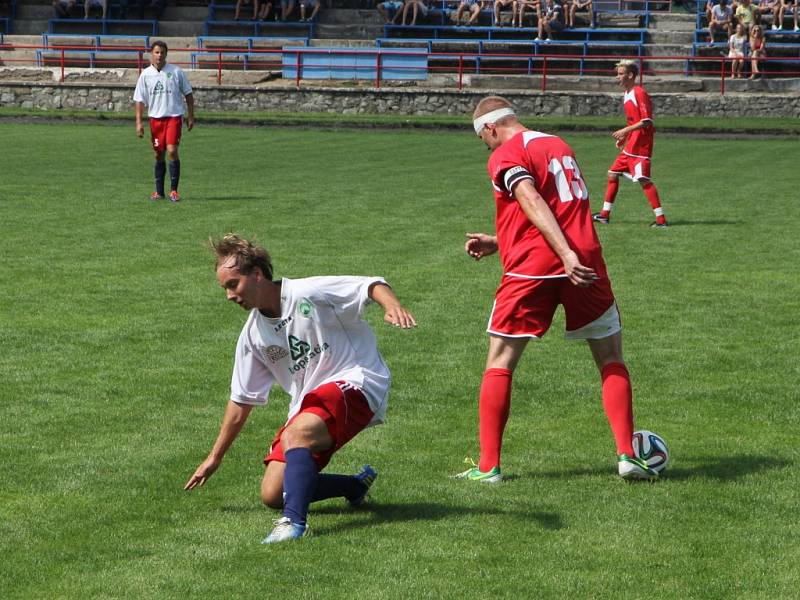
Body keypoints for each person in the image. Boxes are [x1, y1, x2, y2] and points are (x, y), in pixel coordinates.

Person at [455, 96, 658, 485]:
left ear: (490, 128)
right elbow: (557, 207)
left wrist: (561, 253)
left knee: (499, 362)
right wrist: (501, 240)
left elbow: (530, 197)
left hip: (535, 268)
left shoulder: (505, 155)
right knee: (611, 357)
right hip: (587, 262)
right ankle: (627, 455)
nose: (486, 145)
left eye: (483, 138)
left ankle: (488, 467)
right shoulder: (557, 144)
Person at [184, 234, 417, 543]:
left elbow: (370, 285)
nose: (229, 295)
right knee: (273, 492)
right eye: (225, 288)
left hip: (357, 381)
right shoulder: (253, 336)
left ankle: (294, 524)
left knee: (297, 435)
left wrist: (392, 306)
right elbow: (241, 401)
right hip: (311, 403)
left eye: (233, 284)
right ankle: (353, 486)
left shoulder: (308, 292)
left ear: (256, 275)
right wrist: (215, 457)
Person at [592, 60, 668, 228]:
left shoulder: (639, 92)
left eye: (620, 74)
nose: (617, 77)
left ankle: (661, 221)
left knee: (644, 181)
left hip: (641, 147)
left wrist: (625, 131)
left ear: (630, 75)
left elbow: (647, 121)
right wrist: (625, 138)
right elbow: (634, 121)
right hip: (631, 146)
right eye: (617, 73)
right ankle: (604, 215)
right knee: (612, 174)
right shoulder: (627, 93)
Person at [133, 41, 194, 203]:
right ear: (151, 54)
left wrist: (191, 116)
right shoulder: (145, 75)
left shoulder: (176, 72)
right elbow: (139, 100)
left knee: (172, 150)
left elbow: (188, 93)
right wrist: (139, 122)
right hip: (155, 120)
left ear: (166, 54)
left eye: (162, 52)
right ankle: (159, 192)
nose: (159, 55)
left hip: (174, 117)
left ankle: (174, 191)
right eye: (157, 52)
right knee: (158, 154)